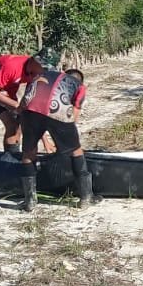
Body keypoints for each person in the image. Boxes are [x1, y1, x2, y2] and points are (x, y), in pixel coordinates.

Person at [17, 68, 101, 211]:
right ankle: (86, 197)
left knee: (28, 153)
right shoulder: (79, 86)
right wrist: (66, 142)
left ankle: (30, 201)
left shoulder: (43, 75)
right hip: (58, 109)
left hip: (30, 110)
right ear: (80, 80)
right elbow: (74, 117)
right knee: (76, 150)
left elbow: (26, 102)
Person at [0, 52, 48, 155]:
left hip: (8, 90)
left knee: (21, 122)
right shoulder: (11, 66)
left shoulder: (35, 72)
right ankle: (9, 157)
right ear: (35, 62)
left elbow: (31, 106)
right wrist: (17, 106)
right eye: (43, 68)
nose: (44, 71)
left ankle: (15, 153)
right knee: (12, 125)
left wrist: (45, 140)